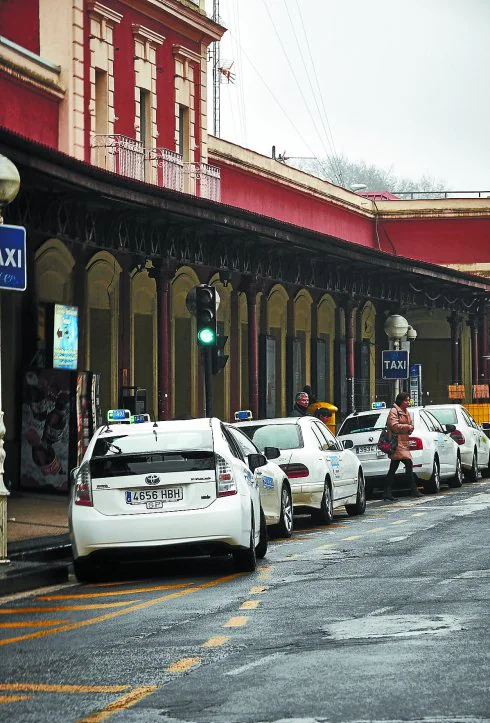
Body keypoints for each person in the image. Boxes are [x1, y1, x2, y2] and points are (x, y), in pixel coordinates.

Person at [384, 391, 423, 501]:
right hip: (397, 443)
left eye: (408, 400)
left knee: (393, 468)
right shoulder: (394, 411)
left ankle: (387, 492)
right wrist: (407, 427)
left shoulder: (406, 411)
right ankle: (413, 490)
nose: (408, 402)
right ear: (401, 401)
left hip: (404, 443)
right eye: (406, 400)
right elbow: (394, 426)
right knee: (408, 464)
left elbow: (410, 424)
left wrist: (410, 428)